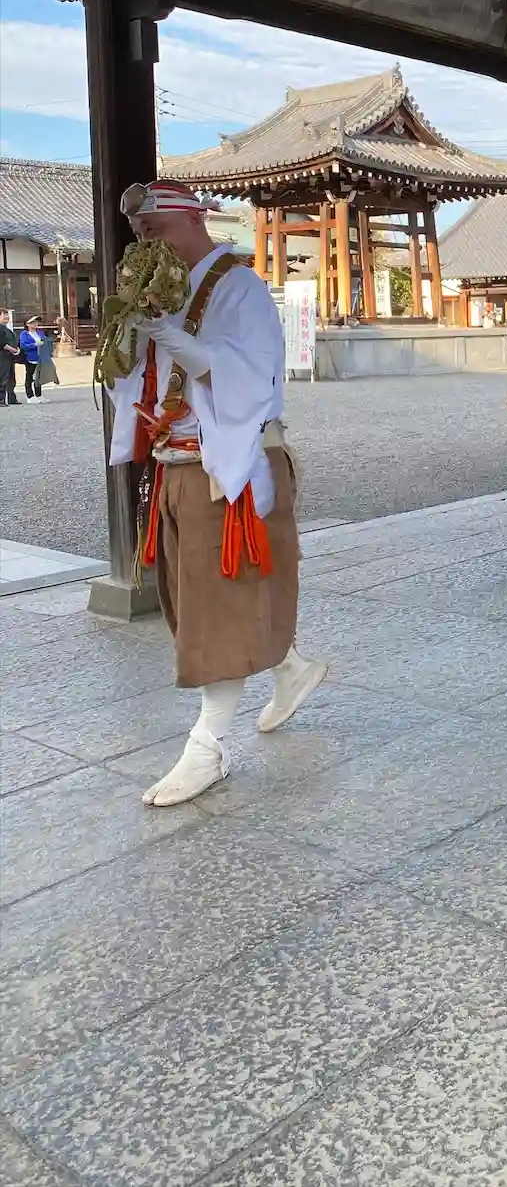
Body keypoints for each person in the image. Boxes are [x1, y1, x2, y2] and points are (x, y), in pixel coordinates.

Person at [106, 179, 327, 808]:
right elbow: (136, 380)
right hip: (176, 464)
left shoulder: (239, 286)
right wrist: (129, 337)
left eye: (155, 230)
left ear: (194, 221)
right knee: (201, 598)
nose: (146, 243)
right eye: (139, 234)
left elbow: (253, 377)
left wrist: (183, 345)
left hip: (229, 465)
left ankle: (208, 746)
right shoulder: (162, 292)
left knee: (215, 603)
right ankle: (290, 668)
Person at [19, 316, 46, 401]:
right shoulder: (24, 334)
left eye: (36, 322)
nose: (35, 324)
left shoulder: (40, 332)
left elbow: (45, 341)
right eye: (33, 322)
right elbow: (23, 346)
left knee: (38, 378)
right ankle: (30, 396)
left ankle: (39, 395)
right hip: (30, 358)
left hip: (40, 358)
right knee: (29, 377)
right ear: (27, 324)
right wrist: (35, 344)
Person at [0, 310, 19, 405]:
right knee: (3, 377)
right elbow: (2, 343)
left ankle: (12, 398)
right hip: (2, 356)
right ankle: (1, 400)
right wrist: (13, 350)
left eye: (7, 315)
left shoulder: (7, 329)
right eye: (5, 315)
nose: (7, 317)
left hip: (10, 356)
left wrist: (17, 349)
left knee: (11, 377)